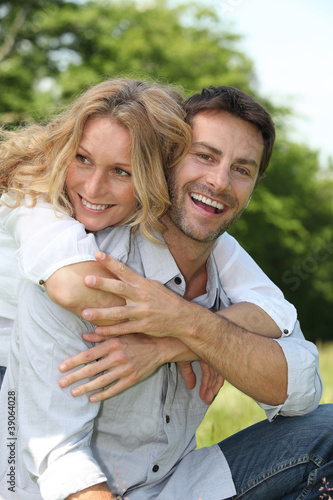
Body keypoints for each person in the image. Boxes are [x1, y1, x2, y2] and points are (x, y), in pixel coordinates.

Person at [1, 85, 330, 500]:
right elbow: (57, 457)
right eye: (205, 156)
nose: (219, 181)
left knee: (327, 432)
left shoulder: (224, 260)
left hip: (174, 484)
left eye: (242, 169)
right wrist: (199, 337)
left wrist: (187, 334)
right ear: (163, 160)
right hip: (42, 478)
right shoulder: (74, 262)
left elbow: (302, 379)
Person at [0, 78, 296, 399]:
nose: (94, 187)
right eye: (82, 159)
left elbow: (275, 312)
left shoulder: (183, 232)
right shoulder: (32, 200)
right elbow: (72, 286)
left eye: (121, 171)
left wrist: (180, 343)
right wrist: (197, 338)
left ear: (151, 176)